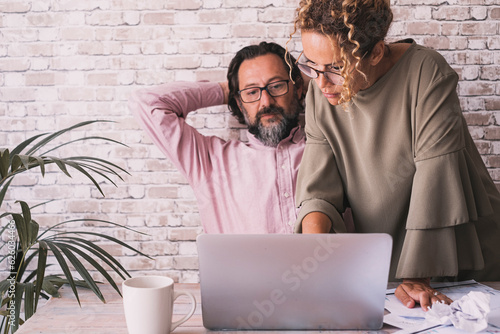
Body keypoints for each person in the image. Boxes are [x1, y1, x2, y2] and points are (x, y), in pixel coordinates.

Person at [290, 0, 500, 312]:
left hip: (461, 261)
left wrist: (417, 275)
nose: (320, 82)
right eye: (310, 64)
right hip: (391, 274)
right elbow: (318, 191)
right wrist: (311, 258)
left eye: (336, 68)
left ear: (375, 53)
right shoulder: (321, 93)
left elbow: (436, 178)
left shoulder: (427, 73)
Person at [130, 42, 309, 234]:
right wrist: (227, 91)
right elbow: (146, 102)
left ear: (298, 89)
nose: (266, 102)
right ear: (239, 104)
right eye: (252, 92)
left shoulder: (328, 151)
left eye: (276, 86)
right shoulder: (209, 162)